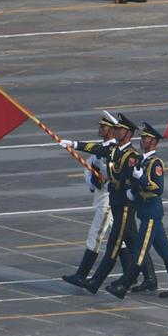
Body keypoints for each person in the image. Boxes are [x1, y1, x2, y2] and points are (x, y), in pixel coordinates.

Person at [78, 113, 157, 294]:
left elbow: (127, 176)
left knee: (115, 246)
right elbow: (97, 149)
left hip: (125, 205)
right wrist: (73, 144)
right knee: (133, 243)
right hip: (117, 203)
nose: (116, 131)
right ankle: (147, 278)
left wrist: (130, 190)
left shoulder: (131, 155)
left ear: (127, 133)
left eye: (119, 129)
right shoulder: (115, 150)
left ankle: (104, 283)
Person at [107, 123, 168, 299]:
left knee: (139, 252)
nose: (142, 140)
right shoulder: (143, 160)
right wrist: (133, 191)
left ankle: (123, 287)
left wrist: (140, 178)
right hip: (147, 213)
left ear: (153, 141)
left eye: (145, 138)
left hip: (151, 213)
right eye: (142, 137)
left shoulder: (156, 163)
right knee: (165, 251)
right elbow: (137, 184)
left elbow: (158, 188)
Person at [57, 111, 116, 286]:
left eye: (103, 126)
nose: (100, 128)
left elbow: (115, 175)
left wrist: (74, 144)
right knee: (123, 241)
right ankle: (143, 276)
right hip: (101, 199)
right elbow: (89, 166)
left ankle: (82, 274)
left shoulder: (112, 150)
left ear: (111, 130)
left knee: (95, 236)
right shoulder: (100, 149)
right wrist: (93, 179)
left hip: (108, 201)